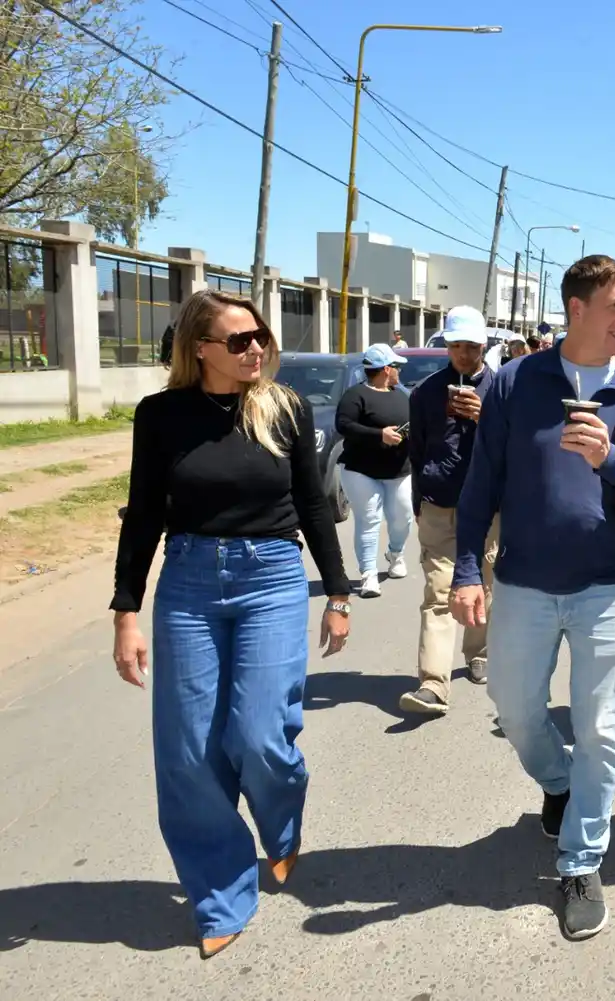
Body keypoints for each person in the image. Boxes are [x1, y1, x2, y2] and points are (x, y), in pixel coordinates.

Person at [452, 255, 615, 940]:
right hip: (525, 582)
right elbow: (480, 487)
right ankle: (558, 780)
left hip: (610, 587)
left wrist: (608, 459)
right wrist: (468, 570)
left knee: (602, 727)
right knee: (517, 710)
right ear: (577, 308)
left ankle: (581, 861)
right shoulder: (514, 384)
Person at [111, 289, 351, 960]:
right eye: (239, 340)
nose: (256, 349)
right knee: (189, 748)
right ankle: (220, 893)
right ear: (200, 349)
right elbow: (144, 514)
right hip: (187, 581)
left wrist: (337, 592)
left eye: (259, 338)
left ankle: (280, 825)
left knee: (261, 732)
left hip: (271, 576)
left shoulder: (286, 408)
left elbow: (311, 501)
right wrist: (125, 612)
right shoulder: (160, 415)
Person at [402, 305, 499, 716]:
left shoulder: (502, 391)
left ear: (483, 346)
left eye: (471, 346)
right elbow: (417, 449)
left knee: (484, 585)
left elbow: (519, 451)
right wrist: (419, 500)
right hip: (439, 505)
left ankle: (479, 652)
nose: (462, 353)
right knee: (439, 593)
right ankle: (433, 684)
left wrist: (485, 417)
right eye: (455, 345)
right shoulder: (426, 392)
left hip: (489, 507)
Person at [335, 343, 414, 598]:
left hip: (399, 470)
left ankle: (395, 552)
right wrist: (379, 434)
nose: (400, 371)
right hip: (361, 470)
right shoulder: (355, 395)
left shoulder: (401, 394)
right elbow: (344, 424)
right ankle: (369, 574)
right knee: (368, 520)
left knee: (402, 517)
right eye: (397, 367)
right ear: (386, 369)